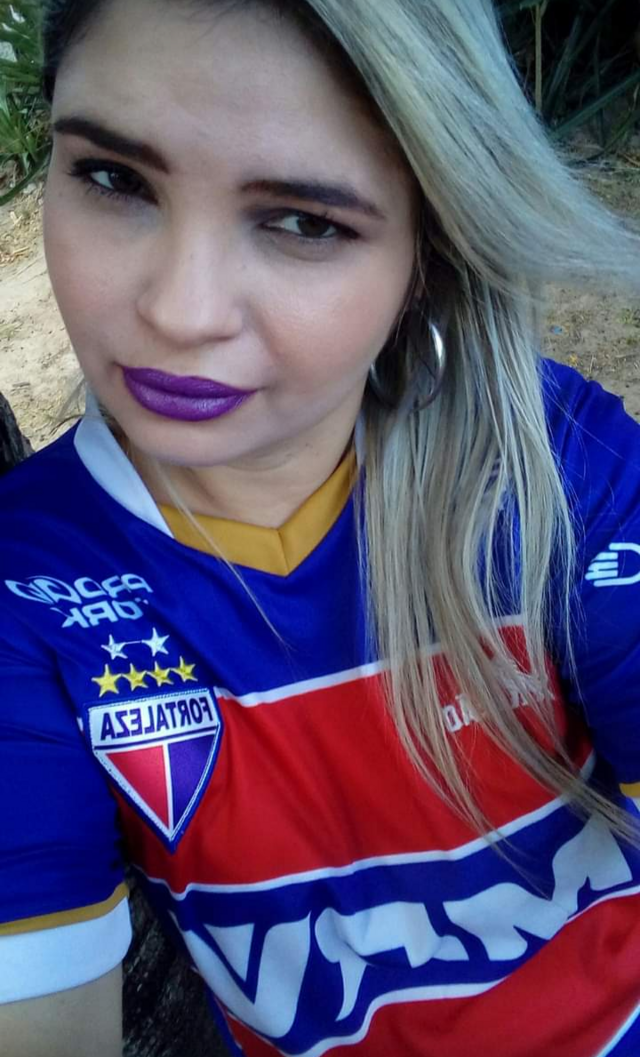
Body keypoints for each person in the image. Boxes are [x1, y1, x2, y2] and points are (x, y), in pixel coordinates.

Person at [1, 0, 640, 1054]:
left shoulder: (561, 471)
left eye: (305, 221)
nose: (181, 313)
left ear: (427, 255)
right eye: (114, 178)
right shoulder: (26, 585)